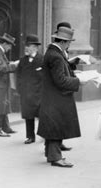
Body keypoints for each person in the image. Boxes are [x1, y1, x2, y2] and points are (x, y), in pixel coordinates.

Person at [37, 22, 86, 168]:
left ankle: (51, 154)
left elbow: (60, 75)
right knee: (56, 126)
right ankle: (55, 157)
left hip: (52, 96)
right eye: (68, 43)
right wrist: (78, 81)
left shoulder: (53, 53)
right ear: (63, 42)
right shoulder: (56, 56)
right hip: (56, 97)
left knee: (53, 126)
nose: (69, 45)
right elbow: (61, 81)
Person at [16, 34, 44, 144]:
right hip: (26, 94)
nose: (26, 48)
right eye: (26, 46)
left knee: (42, 115)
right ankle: (30, 136)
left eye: (29, 46)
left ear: (35, 47)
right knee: (28, 116)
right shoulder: (22, 61)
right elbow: (18, 76)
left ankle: (44, 134)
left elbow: (45, 78)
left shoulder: (42, 59)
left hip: (39, 94)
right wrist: (20, 90)